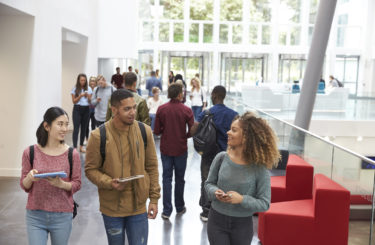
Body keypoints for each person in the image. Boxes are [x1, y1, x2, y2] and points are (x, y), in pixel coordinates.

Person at [85, 89, 160, 245]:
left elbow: (152, 167)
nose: (132, 112)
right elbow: (91, 170)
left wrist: (154, 199)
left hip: (138, 207)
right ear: (114, 110)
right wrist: (109, 182)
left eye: (134, 107)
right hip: (112, 208)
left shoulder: (144, 131)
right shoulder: (98, 136)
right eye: (127, 109)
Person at [205, 112, 280, 245]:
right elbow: (209, 184)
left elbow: (264, 203)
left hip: (242, 226)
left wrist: (241, 199)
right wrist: (215, 192)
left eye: (233, 130)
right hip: (216, 220)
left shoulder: (259, 168)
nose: (228, 132)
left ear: (246, 136)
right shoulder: (221, 158)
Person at [20, 107, 81, 245]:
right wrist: (29, 178)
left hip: (63, 215)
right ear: (46, 126)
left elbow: (77, 183)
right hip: (35, 215)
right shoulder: (30, 152)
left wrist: (61, 184)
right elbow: (24, 186)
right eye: (60, 124)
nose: (64, 129)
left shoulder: (72, 154)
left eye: (66, 124)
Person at [194, 85, 238, 222]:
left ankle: (206, 211)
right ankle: (223, 210)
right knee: (226, 181)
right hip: (227, 153)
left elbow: (195, 128)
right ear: (224, 96)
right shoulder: (233, 114)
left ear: (214, 95)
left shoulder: (207, 112)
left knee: (207, 180)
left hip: (208, 153)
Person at [154, 83, 195, 219]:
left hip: (166, 148)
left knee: (166, 179)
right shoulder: (187, 110)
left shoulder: (161, 109)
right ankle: (179, 206)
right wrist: (185, 136)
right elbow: (192, 130)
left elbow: (157, 131)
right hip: (181, 149)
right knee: (179, 179)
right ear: (179, 94)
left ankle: (166, 211)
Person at [71, 73, 92, 153]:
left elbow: (90, 101)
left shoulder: (89, 88)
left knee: (84, 128)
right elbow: (74, 101)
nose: (83, 82)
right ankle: (75, 148)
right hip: (77, 109)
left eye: (84, 80)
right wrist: (80, 96)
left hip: (86, 109)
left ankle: (81, 147)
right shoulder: (75, 89)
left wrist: (88, 97)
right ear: (78, 80)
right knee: (76, 129)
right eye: (81, 80)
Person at [86, 76, 97, 141]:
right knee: (86, 124)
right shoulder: (87, 89)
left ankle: (93, 138)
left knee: (93, 125)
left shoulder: (97, 90)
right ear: (89, 82)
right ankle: (86, 138)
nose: (92, 82)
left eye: (93, 81)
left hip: (95, 109)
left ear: (96, 82)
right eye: (91, 81)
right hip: (88, 109)